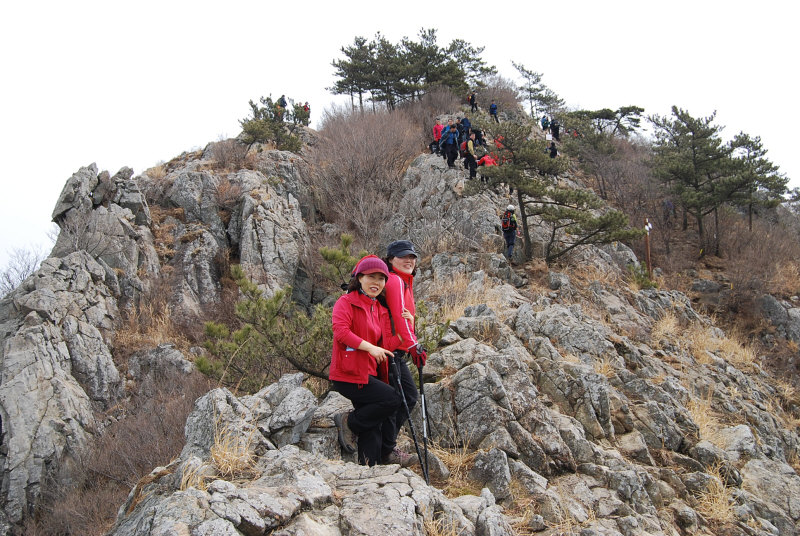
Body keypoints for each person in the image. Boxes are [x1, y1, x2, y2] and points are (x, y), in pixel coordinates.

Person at [330, 255, 407, 466]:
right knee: (392, 399)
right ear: (360, 278)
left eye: (381, 279)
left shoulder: (379, 309)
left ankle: (368, 469)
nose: (377, 283)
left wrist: (403, 331)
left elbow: (385, 346)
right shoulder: (345, 302)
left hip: (368, 374)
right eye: (371, 277)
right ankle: (349, 422)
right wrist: (370, 348)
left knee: (373, 426)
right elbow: (341, 332)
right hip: (348, 375)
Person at [382, 240, 427, 465]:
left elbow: (405, 318)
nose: (409, 260)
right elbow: (400, 318)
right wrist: (413, 346)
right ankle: (386, 449)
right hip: (390, 352)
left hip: (394, 350)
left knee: (404, 398)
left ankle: (386, 445)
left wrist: (413, 341)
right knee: (401, 398)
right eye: (402, 256)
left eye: (412, 256)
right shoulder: (395, 281)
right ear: (391, 260)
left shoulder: (404, 282)